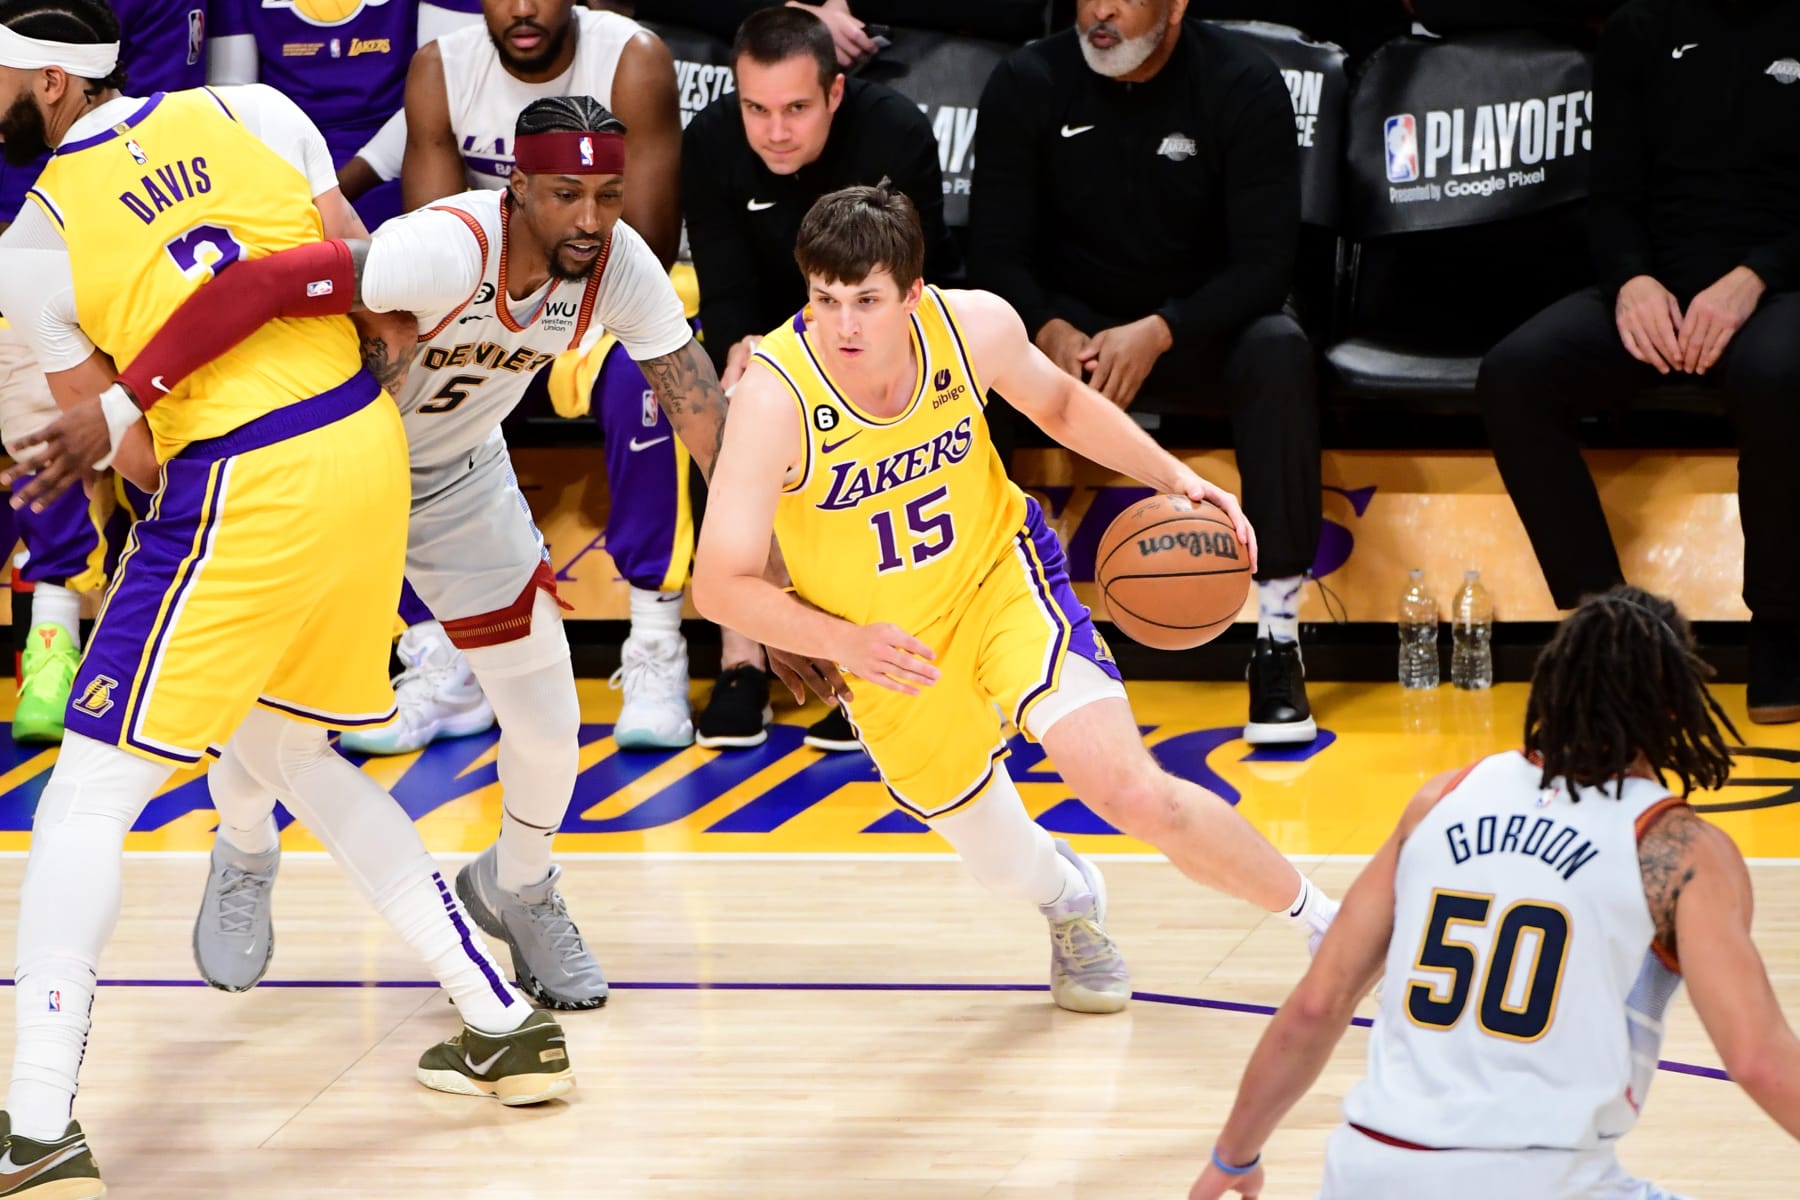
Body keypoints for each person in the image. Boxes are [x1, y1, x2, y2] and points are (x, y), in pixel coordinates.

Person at [0, 9, 576, 1194]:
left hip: (236, 476)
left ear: (51, 83)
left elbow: (135, 453)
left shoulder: (33, 239)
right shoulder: (256, 111)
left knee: (86, 792)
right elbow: (376, 302)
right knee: (296, 749)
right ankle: (502, 1018)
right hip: (365, 458)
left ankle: (34, 1124)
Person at [59, 95, 732, 1011]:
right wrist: (122, 400)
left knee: (545, 718)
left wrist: (775, 576)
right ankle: (246, 846)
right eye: (567, 193)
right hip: (345, 465)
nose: (590, 218)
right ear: (517, 185)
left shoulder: (618, 267)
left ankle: (520, 884)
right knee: (277, 717)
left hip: (458, 480)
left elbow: (703, 422)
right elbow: (255, 286)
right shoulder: (442, 248)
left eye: (609, 195)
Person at [691, 182, 1337, 1015]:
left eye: (866, 301)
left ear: (914, 296)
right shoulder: (775, 396)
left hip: (1001, 581)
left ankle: (1326, 923)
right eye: (824, 299)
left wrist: (1174, 477)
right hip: (886, 648)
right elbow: (719, 584)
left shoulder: (974, 326)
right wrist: (842, 643)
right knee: (1002, 866)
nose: (842, 325)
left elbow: (1064, 403)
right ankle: (1070, 901)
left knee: (1130, 790)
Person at [1189, 586, 1800, 1200]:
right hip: (1540, 1180)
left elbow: (1320, 1003)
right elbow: (1755, 1058)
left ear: (1551, 688)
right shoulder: (1679, 848)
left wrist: (1233, 1156)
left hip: (1369, 1171)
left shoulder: (1442, 798)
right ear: (1677, 709)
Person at [347, 0, 705, 754]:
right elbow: (435, 235)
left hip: (594, 302)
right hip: (483, 286)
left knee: (649, 382)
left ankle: (655, 641)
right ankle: (439, 656)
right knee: (393, 394)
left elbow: (639, 234)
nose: (523, 8)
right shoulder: (443, 66)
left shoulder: (631, 59)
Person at [971, 0, 1324, 747]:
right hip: (1067, 339)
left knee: (1280, 350)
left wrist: (1164, 330)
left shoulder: (1242, 82)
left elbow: (1266, 265)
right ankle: (978, 636)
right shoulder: (1026, 81)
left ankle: (1279, 634)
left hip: (1193, 328)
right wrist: (1048, 328)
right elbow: (995, 254)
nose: (1101, 11)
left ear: (1177, 7)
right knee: (966, 359)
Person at [1477, 0, 1800, 727]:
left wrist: (1756, 276)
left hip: (1779, 288)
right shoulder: (1640, 26)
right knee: (1515, 373)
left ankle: (1781, 626)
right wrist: (1631, 281)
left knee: (1778, 376)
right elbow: (1612, 194)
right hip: (1659, 285)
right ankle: (1610, 631)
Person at [682, 4, 955, 751]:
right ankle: (742, 657)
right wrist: (756, 357)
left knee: (880, 422)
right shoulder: (708, 143)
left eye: (797, 108)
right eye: (756, 109)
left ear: (835, 94)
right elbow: (727, 289)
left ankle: (865, 653)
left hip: (877, 332)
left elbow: (915, 283)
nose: (774, 130)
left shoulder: (894, 131)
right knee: (727, 405)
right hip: (775, 336)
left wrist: (836, 349)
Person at [0, 0, 214, 742]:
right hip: (22, 239)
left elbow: (139, 118)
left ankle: (154, 636)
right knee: (39, 410)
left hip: (135, 235)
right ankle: (53, 636)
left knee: (142, 446)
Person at [204, 0, 481, 230]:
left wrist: (334, 190)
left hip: (400, 158)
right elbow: (233, 95)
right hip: (286, 163)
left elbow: (445, 86)